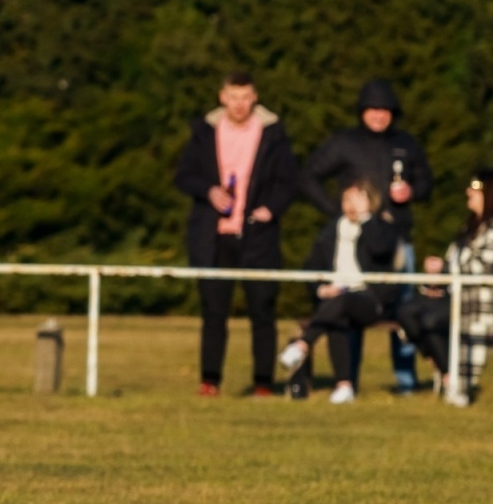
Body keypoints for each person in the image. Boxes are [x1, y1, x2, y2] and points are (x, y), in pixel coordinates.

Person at [301, 79, 433, 391]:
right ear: (362, 111)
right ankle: (349, 380)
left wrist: (412, 191)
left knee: (403, 314)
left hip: (397, 243)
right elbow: (307, 177)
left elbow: (427, 181)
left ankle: (406, 382)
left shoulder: (407, 143)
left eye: (385, 109)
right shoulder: (344, 143)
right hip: (356, 247)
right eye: (373, 109)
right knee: (351, 307)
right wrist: (337, 210)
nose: (379, 115)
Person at [174, 72, 298, 396]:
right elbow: (183, 176)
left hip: (259, 237)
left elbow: (289, 180)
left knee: (262, 312)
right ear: (222, 97)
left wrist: (271, 209)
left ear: (254, 98)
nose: (239, 104)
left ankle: (263, 383)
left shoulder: (273, 133)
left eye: (245, 97)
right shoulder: (204, 132)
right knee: (214, 313)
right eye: (233, 97)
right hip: (213, 238)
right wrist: (209, 191)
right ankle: (210, 381)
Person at [278, 182, 400, 404]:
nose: (350, 205)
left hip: (371, 300)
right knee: (337, 313)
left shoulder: (382, 227)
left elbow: (380, 249)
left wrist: (366, 218)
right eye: (346, 199)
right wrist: (320, 288)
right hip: (337, 301)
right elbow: (311, 266)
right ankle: (344, 387)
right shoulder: (332, 231)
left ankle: (302, 345)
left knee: (341, 302)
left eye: (356, 199)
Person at [395, 173, 493, 405]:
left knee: (429, 321)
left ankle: (455, 381)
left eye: (475, 189)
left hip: (479, 303)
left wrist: (448, 268)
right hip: (454, 295)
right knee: (406, 312)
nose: (468, 193)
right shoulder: (468, 227)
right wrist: (439, 272)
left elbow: (484, 267)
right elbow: (456, 263)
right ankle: (447, 371)